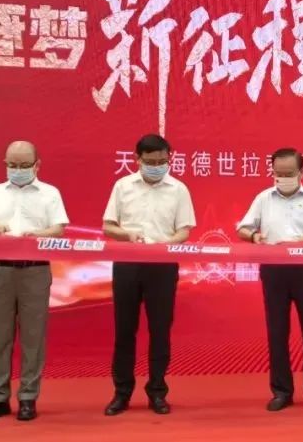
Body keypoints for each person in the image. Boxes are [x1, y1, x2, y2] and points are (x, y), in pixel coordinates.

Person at [0, 141, 69, 422]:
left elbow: (59, 228)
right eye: (12, 165)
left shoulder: (50, 193)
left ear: (37, 165)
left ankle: (27, 397)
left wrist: (39, 235)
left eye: (24, 165)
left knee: (33, 337)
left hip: (34, 270)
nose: (18, 170)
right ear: (5, 164)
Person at [102, 134, 196, 416]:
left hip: (162, 266)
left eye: (162, 161)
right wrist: (127, 235)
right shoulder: (123, 186)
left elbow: (184, 230)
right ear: (137, 159)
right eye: (151, 162)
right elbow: (108, 226)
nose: (157, 166)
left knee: (160, 330)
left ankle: (157, 391)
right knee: (124, 330)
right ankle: (121, 393)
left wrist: (168, 244)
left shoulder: (178, 189)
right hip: (128, 264)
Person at [236, 148, 303, 412]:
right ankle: (281, 391)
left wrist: (295, 244)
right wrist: (254, 236)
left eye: (289, 173)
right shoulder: (264, 198)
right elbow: (243, 228)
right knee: (277, 333)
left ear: (301, 172)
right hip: (274, 271)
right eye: (278, 173)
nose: (283, 178)